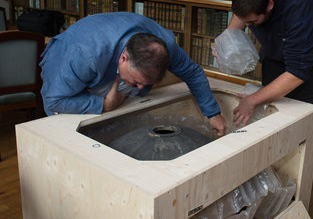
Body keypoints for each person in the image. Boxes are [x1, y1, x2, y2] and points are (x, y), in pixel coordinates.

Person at [40, 12, 226, 136]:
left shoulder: (164, 47)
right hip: (68, 60)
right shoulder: (84, 55)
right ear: (123, 59)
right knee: (74, 135)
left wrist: (213, 113)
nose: (140, 88)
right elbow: (55, 101)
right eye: (137, 81)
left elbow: (193, 73)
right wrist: (103, 104)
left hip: (105, 61)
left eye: (146, 83)